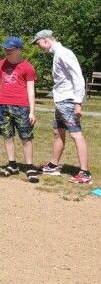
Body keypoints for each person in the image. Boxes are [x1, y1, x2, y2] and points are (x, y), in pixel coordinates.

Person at [33, 30, 91, 184]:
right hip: (61, 101)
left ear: (45, 40)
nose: (39, 47)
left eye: (38, 43)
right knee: (57, 132)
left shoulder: (64, 53)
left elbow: (77, 77)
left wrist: (78, 103)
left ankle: (84, 173)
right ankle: (52, 165)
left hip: (68, 101)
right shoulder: (58, 54)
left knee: (76, 134)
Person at [0, 37, 38, 182]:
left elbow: (31, 90)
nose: (7, 51)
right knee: (7, 135)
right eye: (5, 49)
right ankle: (12, 165)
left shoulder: (27, 67)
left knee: (26, 137)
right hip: (2, 106)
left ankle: (29, 167)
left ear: (19, 50)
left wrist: (31, 111)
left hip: (21, 107)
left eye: (10, 49)